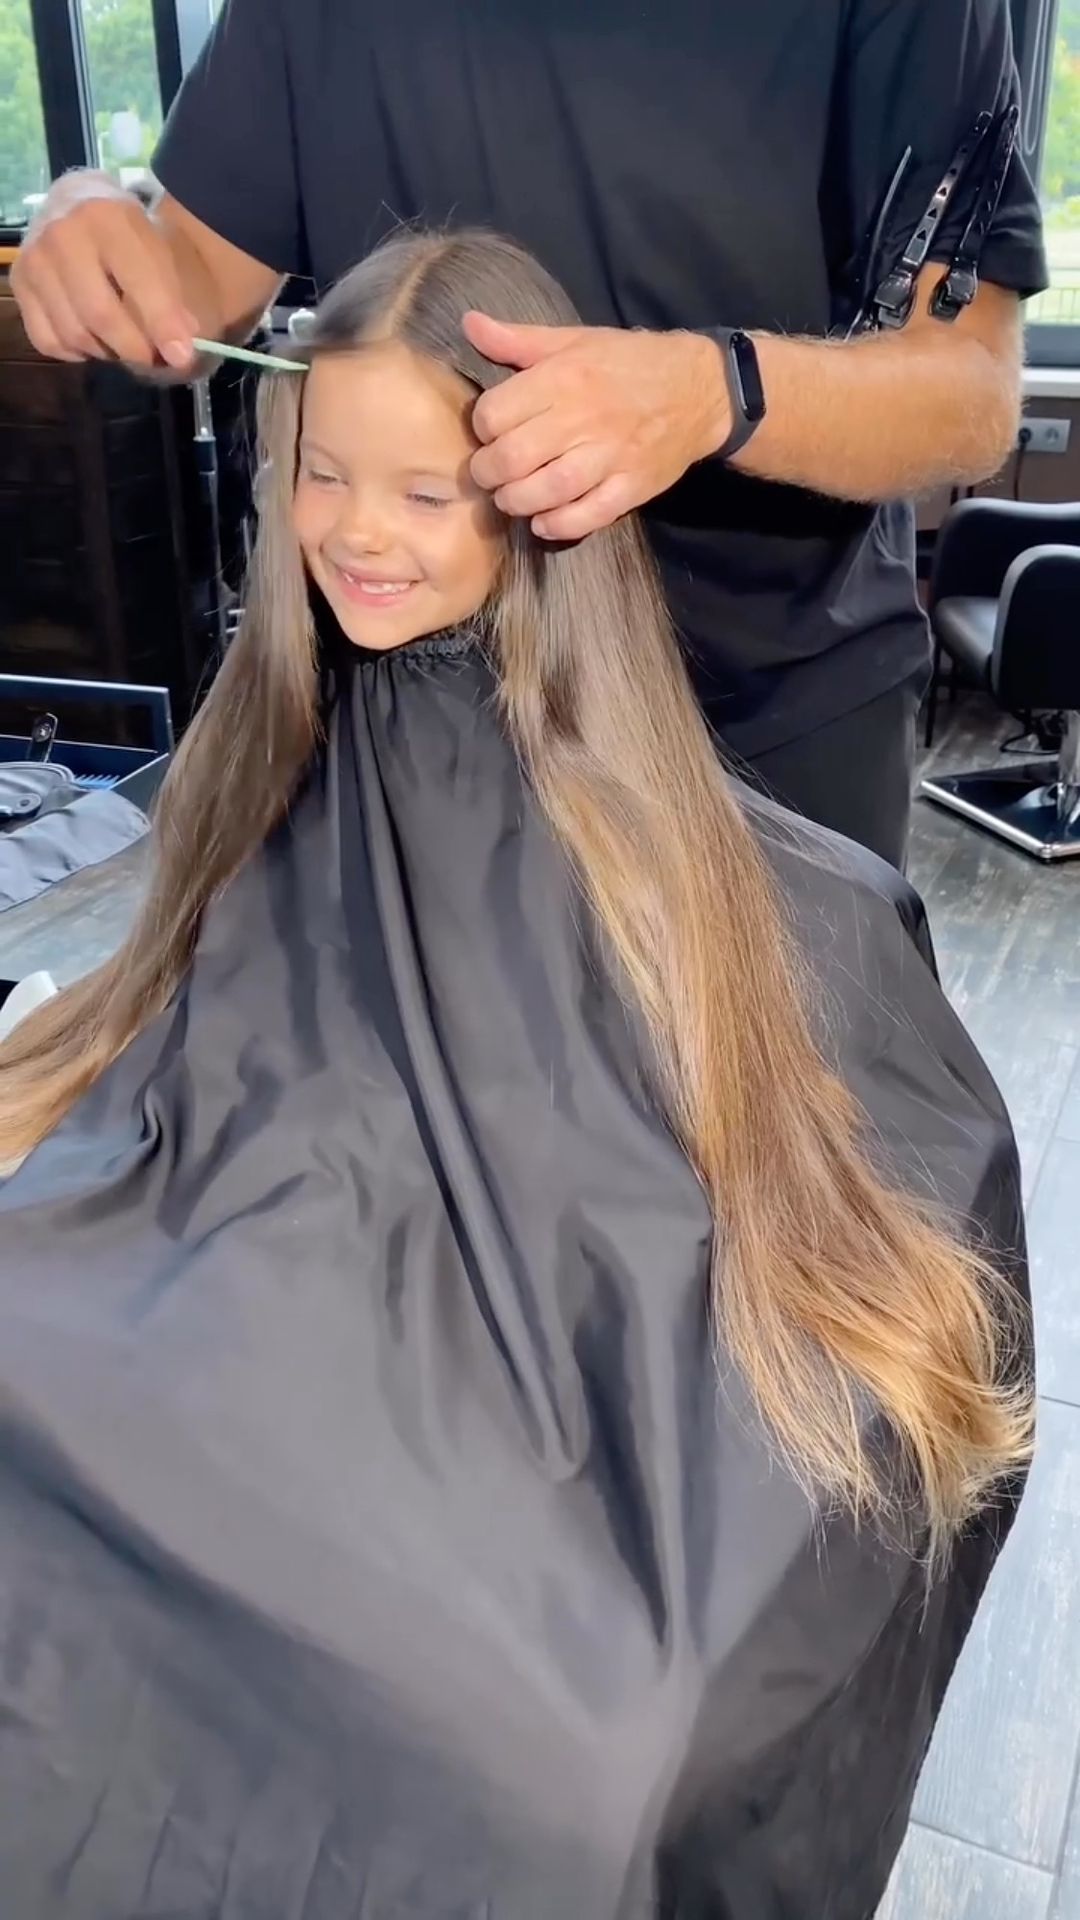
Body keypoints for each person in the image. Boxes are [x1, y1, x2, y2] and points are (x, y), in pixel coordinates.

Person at [0, 230, 1032, 1919]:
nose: (359, 532)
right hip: (272, 1258)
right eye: (326, 476)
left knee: (584, 1756)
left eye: (425, 491)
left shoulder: (686, 869)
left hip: (525, 1355)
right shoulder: (274, 766)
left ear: (539, 498)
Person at [10, 0, 1046, 869]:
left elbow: (965, 397)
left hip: (767, 719)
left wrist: (709, 392)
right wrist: (94, 228)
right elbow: (187, 292)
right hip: (416, 726)